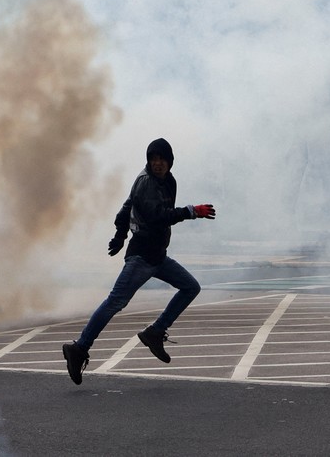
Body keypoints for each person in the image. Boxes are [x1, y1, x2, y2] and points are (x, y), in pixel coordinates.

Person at [62, 138, 215, 385]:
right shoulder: (145, 183)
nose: (157, 164)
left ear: (170, 161)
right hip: (141, 257)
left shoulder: (169, 181)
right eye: (153, 159)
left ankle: (155, 332)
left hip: (158, 256)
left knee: (190, 287)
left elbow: (125, 210)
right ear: (148, 161)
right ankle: (79, 348)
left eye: (162, 159)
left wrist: (120, 235)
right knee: (115, 302)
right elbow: (156, 217)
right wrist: (190, 212)